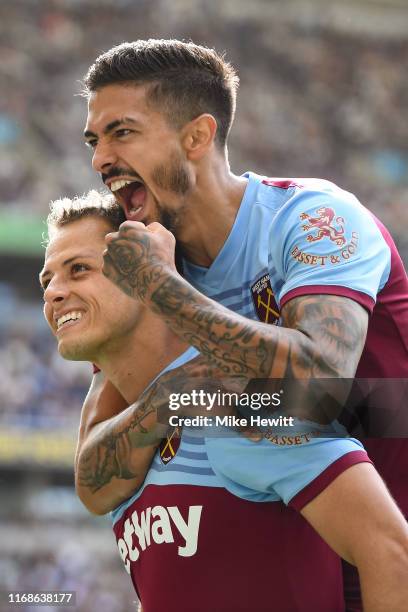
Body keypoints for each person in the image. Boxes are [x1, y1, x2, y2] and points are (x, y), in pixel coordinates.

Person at [81, 39, 408, 610]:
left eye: (122, 132)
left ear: (197, 136)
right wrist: (174, 400)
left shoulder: (314, 219)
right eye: (94, 139)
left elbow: (325, 378)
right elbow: (95, 477)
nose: (100, 157)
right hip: (301, 565)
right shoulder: (147, 257)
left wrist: (162, 291)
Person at [40, 193, 408, 612]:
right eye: (46, 280)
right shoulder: (130, 435)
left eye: (79, 270)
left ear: (143, 273)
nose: (53, 292)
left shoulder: (237, 405)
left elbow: (391, 553)